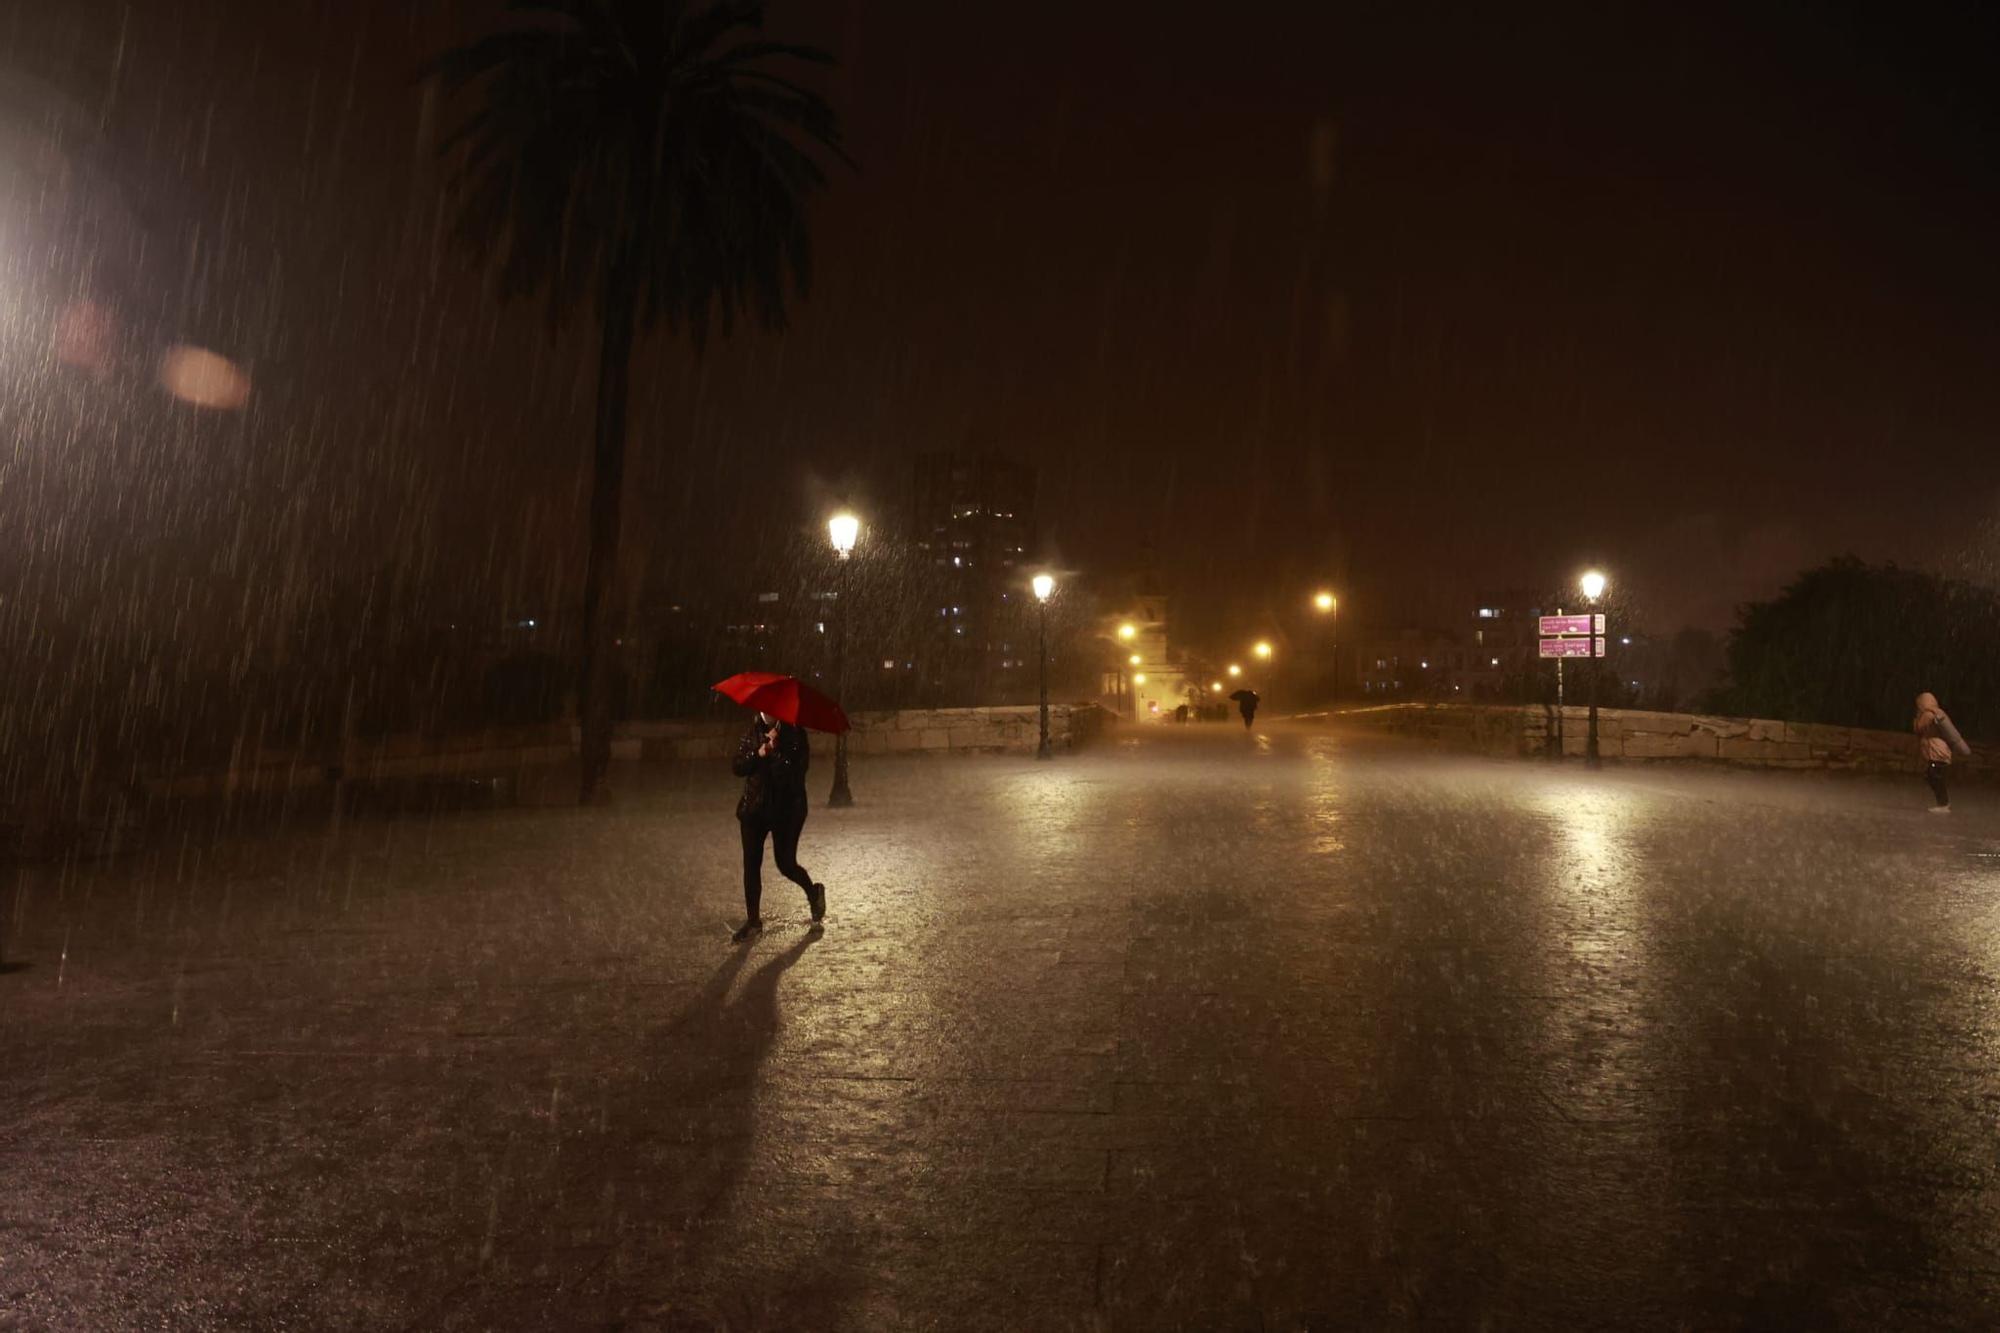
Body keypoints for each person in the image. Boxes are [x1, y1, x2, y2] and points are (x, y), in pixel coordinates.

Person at [731, 712, 826, 940]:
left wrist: (777, 752)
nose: (766, 712)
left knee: (786, 864)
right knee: (751, 864)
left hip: (786, 810)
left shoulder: (795, 734)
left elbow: (796, 773)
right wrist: (760, 752)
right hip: (754, 808)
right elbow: (738, 766)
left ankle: (814, 893)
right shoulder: (752, 733)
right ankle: (753, 921)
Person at [1912, 691, 1970, 813]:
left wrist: (1917, 717)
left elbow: (1918, 728)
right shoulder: (1938, 713)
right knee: (1933, 775)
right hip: (1940, 751)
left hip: (1937, 751)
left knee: (1933, 775)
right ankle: (1943, 803)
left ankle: (1943, 804)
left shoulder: (1928, 714)